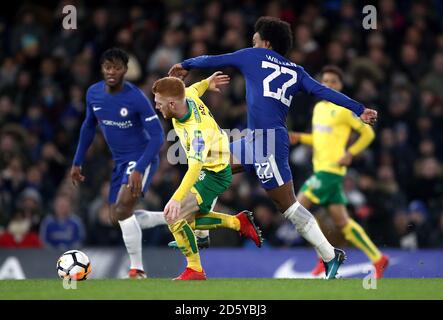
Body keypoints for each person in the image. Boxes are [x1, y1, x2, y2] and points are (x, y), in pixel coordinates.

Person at [169, 16, 378, 279]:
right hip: (255, 138)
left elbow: (214, 59)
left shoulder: (253, 56)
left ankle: (329, 254)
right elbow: (324, 92)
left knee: (288, 206)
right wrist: (358, 109)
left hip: (269, 142)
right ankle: (202, 233)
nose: (252, 42)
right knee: (213, 165)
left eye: (255, 39)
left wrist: (186, 65)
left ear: (265, 43)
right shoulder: (297, 71)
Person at [150, 73, 263, 280]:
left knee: (173, 216)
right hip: (210, 168)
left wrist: (176, 198)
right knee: (186, 221)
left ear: (173, 103)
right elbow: (194, 88)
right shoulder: (188, 98)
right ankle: (238, 223)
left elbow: (194, 168)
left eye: (159, 103)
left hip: (213, 174)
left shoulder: (197, 131)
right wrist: (207, 83)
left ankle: (195, 269)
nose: (157, 106)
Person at [71, 48, 164, 279]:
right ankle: (172, 217)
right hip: (120, 161)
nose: (111, 71)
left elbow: (158, 136)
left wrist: (140, 168)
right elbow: (88, 126)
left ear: (125, 70)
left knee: (123, 209)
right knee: (117, 217)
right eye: (107, 67)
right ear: (102, 69)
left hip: (142, 156)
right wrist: (77, 161)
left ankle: (137, 270)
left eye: (117, 67)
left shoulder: (135, 97)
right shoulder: (93, 93)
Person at [288, 65, 389, 279]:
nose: (328, 85)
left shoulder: (344, 109)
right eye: (325, 81)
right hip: (323, 171)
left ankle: (325, 257)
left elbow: (367, 134)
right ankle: (378, 258)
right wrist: (300, 137)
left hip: (330, 171)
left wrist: (350, 153)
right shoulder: (319, 109)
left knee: (297, 208)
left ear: (340, 86)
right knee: (343, 223)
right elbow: (319, 139)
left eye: (333, 82)